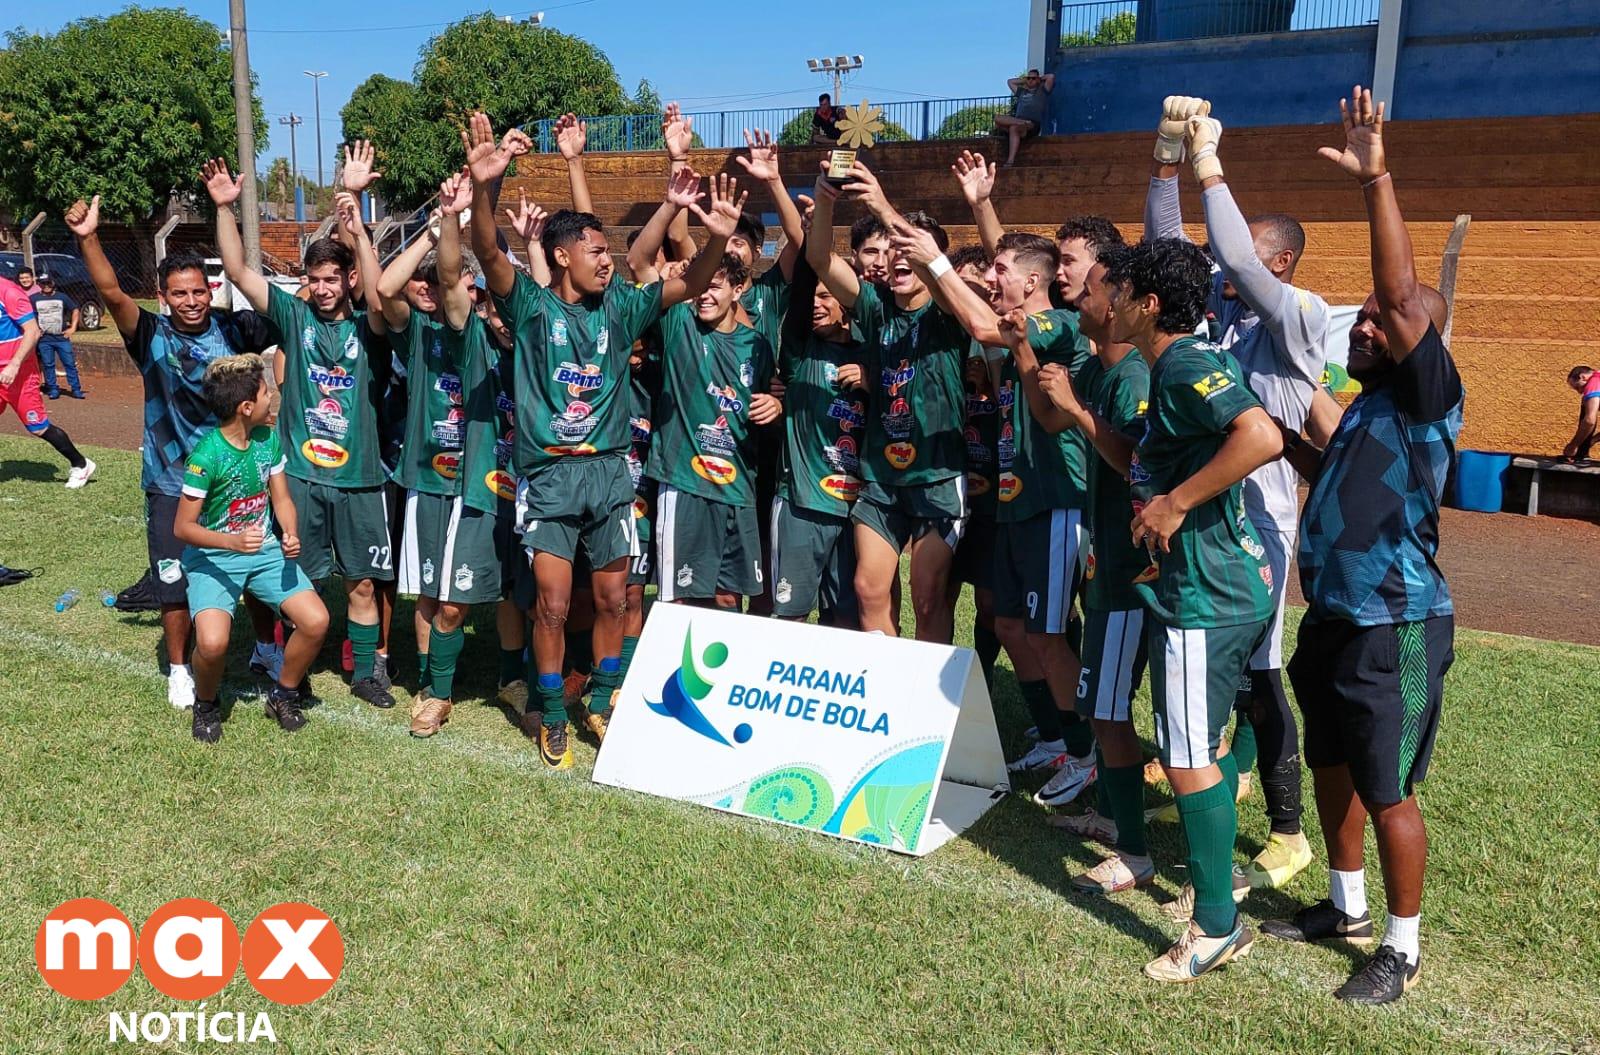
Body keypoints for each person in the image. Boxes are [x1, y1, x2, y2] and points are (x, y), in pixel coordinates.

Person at [1262, 86, 1465, 1006]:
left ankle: (1401, 947)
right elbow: (1329, 472)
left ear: (1417, 335)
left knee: (1388, 789)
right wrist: (1272, 429)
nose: (1367, 324)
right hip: (1336, 617)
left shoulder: (1428, 394)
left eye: (1383, 320)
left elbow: (1402, 293)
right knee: (1333, 764)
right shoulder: (1369, 407)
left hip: (1398, 624)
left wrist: (1376, 179)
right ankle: (1344, 907)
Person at [465, 112, 738, 765]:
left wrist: (719, 239)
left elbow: (690, 282)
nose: (607, 262)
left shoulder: (623, 306)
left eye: (609, 254)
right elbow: (487, 251)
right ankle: (552, 709)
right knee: (554, 606)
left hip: (611, 475)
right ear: (561, 256)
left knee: (616, 598)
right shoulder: (532, 306)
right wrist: (482, 188)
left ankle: (605, 696)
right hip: (550, 477)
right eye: (595, 252)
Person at [1145, 95, 1328, 890]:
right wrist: (1165, 160)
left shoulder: (1300, 319)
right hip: (1205, 526)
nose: (1225, 267)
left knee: (1260, 675)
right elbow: (1166, 253)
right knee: (1219, 676)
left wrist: (1209, 162)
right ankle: (1220, 773)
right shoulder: (1219, 322)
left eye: (1248, 254)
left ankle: (1288, 832)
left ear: (1279, 264)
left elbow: (1234, 260)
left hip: (1260, 525)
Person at [1109, 238, 1282, 982]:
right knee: (1199, 749)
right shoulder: (1179, 362)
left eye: (1120, 291)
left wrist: (1176, 502)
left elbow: (1263, 436)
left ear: (1148, 304)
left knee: (1184, 758)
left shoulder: (1181, 363)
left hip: (1203, 596)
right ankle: (1219, 892)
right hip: (1217, 586)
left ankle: (1216, 925)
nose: (1110, 302)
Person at [894, 221, 1097, 792]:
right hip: (1015, 502)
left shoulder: (1058, 323)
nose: (989, 277)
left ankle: (1086, 754)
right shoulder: (1015, 327)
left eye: (1000, 270)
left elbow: (981, 323)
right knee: (1009, 623)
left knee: (1048, 634)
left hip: (1055, 502)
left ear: (1032, 282)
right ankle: (1054, 739)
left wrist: (935, 260)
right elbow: (973, 316)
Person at [67, 194, 283, 709]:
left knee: (253, 564)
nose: (191, 301)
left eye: (199, 291)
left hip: (238, 479)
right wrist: (88, 238)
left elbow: (290, 323)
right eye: (179, 293)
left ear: (211, 291)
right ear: (163, 297)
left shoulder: (236, 328)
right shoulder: (149, 334)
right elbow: (110, 290)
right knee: (173, 578)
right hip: (171, 479)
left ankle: (267, 648)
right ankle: (181, 669)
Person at [204, 156, 398, 712]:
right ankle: (296, 668)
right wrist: (224, 207)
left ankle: (366, 671)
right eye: (314, 280)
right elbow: (238, 270)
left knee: (363, 583)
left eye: (331, 279)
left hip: (360, 477)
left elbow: (380, 294)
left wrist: (356, 218)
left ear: (349, 279)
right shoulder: (295, 317)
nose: (322, 288)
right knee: (296, 583)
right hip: (302, 479)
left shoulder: (370, 324)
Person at [1034, 244, 1156, 893]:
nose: (1077, 298)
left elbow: (1136, 463)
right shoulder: (1103, 371)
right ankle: (1112, 817)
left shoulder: (1133, 377)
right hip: (1105, 563)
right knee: (1104, 704)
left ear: (1117, 306)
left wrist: (1079, 412)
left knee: (1109, 710)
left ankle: (1134, 851)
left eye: (1089, 291)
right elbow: (1052, 418)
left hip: (1130, 576)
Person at [807, 162, 970, 643]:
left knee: (927, 596)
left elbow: (940, 279)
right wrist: (826, 199)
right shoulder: (875, 306)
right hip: (881, 474)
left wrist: (880, 204)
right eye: (893, 249)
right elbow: (820, 259)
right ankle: (887, 680)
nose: (898, 257)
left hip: (937, 474)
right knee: (868, 587)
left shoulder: (949, 310)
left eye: (908, 249)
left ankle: (931, 688)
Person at [377, 169, 505, 738]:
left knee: (459, 602)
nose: (461, 296)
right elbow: (386, 289)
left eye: (473, 291)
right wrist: (433, 231)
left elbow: (456, 278)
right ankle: (434, 687)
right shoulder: (424, 333)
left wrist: (461, 213)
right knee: (430, 595)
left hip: (480, 484)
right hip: (428, 481)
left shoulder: (485, 335)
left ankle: (455, 685)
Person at [628, 176, 779, 611]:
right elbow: (639, 262)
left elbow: (767, 400)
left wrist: (777, 404)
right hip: (685, 483)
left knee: (729, 599)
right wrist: (675, 206)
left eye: (715, 286)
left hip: (738, 488)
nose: (705, 295)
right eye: (701, 287)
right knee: (680, 599)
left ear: (738, 290)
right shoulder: (678, 323)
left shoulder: (757, 345)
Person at [173, 354, 330, 743]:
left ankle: (284, 694)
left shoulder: (267, 440)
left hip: (264, 551)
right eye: (264, 394)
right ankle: (206, 704)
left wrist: (289, 532)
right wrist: (231, 541)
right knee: (212, 644)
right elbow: (183, 528)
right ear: (246, 407)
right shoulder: (206, 456)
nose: (270, 398)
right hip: (213, 558)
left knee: (316, 621)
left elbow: (282, 499)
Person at [769, 257, 865, 624]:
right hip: (802, 503)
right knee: (790, 616)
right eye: (812, 296)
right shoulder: (801, 350)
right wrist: (812, 243)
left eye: (825, 296)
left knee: (846, 621)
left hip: (855, 510)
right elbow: (797, 302)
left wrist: (870, 380)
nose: (814, 304)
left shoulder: (870, 355)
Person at [0, 274, 94, 488]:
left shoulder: (9, 293)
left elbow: (33, 332)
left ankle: (81, 464)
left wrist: (14, 364)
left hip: (19, 375)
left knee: (38, 427)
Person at [29, 272, 84, 399]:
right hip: (44, 339)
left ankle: (76, 388)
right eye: (43, 283)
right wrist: (35, 329)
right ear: (39, 284)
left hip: (61, 337)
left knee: (69, 363)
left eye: (48, 283)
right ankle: (53, 388)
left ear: (53, 283)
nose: (46, 286)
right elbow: (28, 315)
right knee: (48, 364)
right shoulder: (33, 299)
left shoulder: (62, 297)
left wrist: (73, 327)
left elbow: (75, 309)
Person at [995, 69, 1055, 167]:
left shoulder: (1042, 90)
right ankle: (1022, 122)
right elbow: (1010, 81)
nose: (1030, 80)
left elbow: (1051, 76)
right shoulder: (1022, 92)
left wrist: (1039, 79)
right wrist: (1025, 80)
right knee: (998, 119)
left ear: (1038, 79)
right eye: (1029, 78)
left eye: (1033, 78)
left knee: (1014, 128)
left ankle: (1010, 160)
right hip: (1021, 121)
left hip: (1032, 124)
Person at [1562, 365, 1598, 462]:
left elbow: (1589, 421)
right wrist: (1593, 440)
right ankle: (1583, 451)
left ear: (1583, 377)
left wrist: (1573, 446)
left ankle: (1581, 453)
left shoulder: (1594, 382)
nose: (1580, 392)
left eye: (1578, 387)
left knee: (1587, 406)